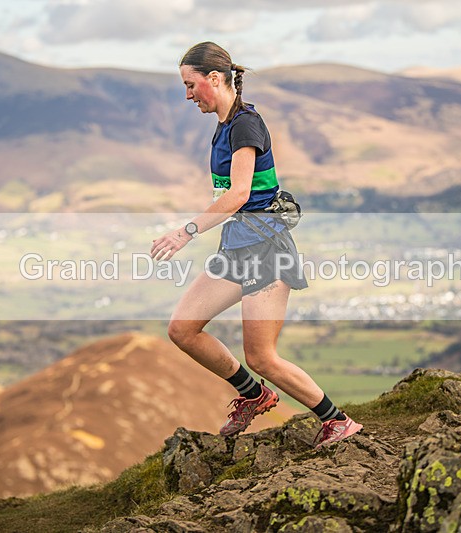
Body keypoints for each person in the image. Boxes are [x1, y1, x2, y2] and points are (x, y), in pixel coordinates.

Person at [150, 41, 362, 448]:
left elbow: (239, 194)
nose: (188, 95)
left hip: (266, 251)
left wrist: (185, 232)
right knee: (183, 329)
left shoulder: (246, 124)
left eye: (191, 85)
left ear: (215, 78)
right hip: (237, 250)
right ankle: (254, 394)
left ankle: (338, 421)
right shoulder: (226, 124)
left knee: (263, 356)